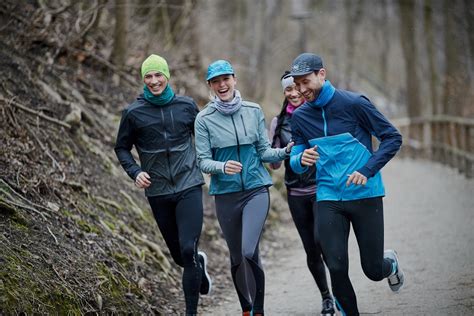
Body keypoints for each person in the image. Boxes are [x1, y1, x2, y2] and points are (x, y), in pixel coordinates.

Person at [288, 53, 404, 316]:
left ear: (322, 74)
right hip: (329, 196)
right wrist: (299, 159)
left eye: (306, 81)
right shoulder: (300, 117)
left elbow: (392, 138)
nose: (302, 90)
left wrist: (367, 169)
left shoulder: (354, 103)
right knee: (336, 267)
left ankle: (391, 265)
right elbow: (296, 158)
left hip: (365, 194)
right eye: (297, 84)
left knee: (373, 270)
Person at [114, 54, 212, 316]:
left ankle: (190, 312)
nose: (154, 81)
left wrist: (214, 164)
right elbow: (121, 147)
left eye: (159, 75)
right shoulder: (133, 113)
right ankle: (198, 264)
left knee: (188, 248)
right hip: (157, 191)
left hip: (189, 185)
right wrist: (135, 172)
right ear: (143, 79)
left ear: (167, 76)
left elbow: (204, 137)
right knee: (180, 256)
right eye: (149, 76)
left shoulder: (187, 106)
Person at [194, 60, 293, 316]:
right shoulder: (204, 119)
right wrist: (221, 166)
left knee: (250, 251)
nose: (222, 85)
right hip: (226, 195)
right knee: (237, 257)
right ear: (210, 86)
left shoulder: (252, 110)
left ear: (234, 80)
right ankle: (246, 309)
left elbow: (263, 150)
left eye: (226, 79)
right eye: (216, 81)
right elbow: (202, 160)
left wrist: (284, 152)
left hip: (255, 190)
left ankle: (259, 310)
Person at [268, 71, 335, 316]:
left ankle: (340, 291)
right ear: (284, 92)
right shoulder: (278, 123)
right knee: (310, 248)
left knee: (322, 240)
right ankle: (326, 297)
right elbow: (274, 164)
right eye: (288, 89)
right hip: (295, 191)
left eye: (297, 87)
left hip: (321, 187)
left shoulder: (318, 114)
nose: (294, 93)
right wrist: (276, 150)